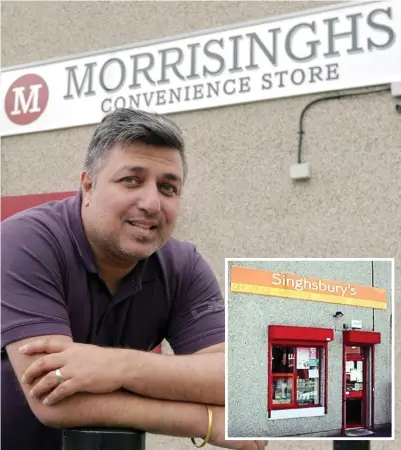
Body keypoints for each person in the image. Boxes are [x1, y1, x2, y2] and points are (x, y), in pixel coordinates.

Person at [1, 108, 266, 450]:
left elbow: (244, 381)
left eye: (168, 188)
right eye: (132, 180)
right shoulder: (25, 242)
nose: (152, 203)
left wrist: (118, 366)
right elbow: (54, 398)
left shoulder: (182, 266)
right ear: (88, 186)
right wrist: (208, 421)